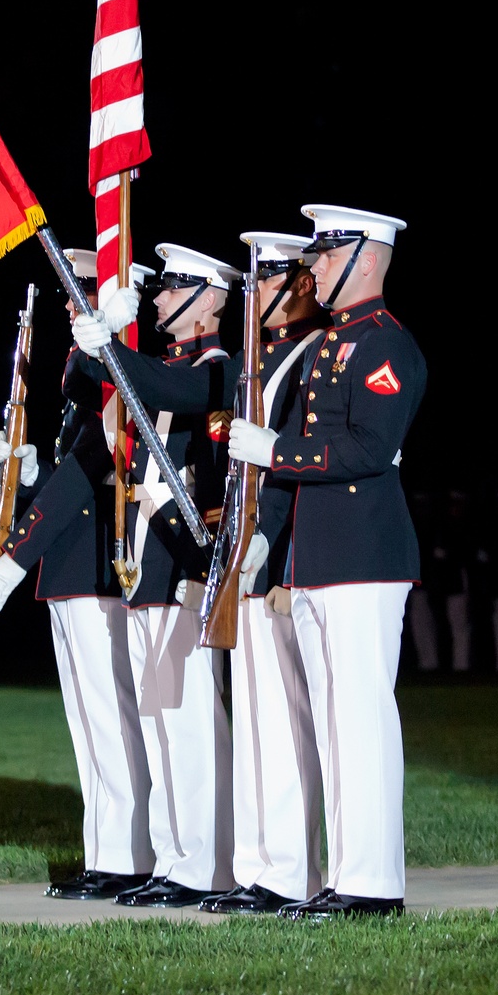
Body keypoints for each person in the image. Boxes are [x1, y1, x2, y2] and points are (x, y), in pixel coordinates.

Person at [227, 204, 426, 920]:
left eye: (328, 257)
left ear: (367, 260)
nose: (314, 269)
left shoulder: (387, 347)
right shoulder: (327, 347)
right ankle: (345, 880)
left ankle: (372, 886)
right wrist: (264, 542)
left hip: (365, 559)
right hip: (318, 561)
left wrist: (274, 452)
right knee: (334, 725)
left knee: (360, 722)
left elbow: (368, 452)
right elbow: (296, 470)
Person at [0, 249, 156, 901]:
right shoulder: (86, 360)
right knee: (90, 720)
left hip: (98, 559)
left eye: (80, 289)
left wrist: (19, 554)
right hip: (71, 559)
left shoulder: (114, 358)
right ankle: (110, 852)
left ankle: (132, 854)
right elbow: (69, 461)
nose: (69, 302)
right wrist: (27, 477)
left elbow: (95, 462)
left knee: (114, 717)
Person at [71, 243, 238, 907]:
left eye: (173, 290)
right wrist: (94, 345)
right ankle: (175, 860)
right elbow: (104, 390)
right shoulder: (166, 367)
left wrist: (111, 345)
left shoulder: (216, 368)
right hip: (149, 562)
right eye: (162, 288)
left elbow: (175, 392)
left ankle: (205, 863)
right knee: (161, 721)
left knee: (189, 719)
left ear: (210, 301)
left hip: (186, 563)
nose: (161, 299)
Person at [200, 232, 325, 915]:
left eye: (269, 283)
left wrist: (276, 553)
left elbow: (302, 470)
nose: (259, 299)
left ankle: (291, 873)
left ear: (300, 282)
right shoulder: (267, 357)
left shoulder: (314, 354)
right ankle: (256, 868)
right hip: (243, 551)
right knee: (251, 718)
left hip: (278, 558)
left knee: (281, 721)